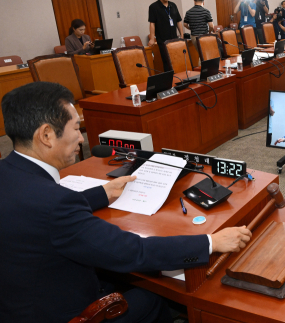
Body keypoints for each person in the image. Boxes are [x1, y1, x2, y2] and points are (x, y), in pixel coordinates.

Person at [0, 82, 252, 322]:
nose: (81, 138)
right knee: (154, 295)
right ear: (46, 135)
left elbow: (39, 212)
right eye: (77, 128)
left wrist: (102, 193)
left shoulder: (10, 174)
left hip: (18, 302)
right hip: (63, 311)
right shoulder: (56, 204)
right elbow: (133, 252)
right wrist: (210, 242)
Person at [148, 0, 183, 71]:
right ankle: (170, 81)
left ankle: (178, 78)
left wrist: (181, 34)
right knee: (167, 61)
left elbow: (178, 21)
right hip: (162, 39)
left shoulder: (173, 5)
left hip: (174, 38)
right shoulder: (153, 7)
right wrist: (152, 38)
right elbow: (152, 23)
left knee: (176, 59)